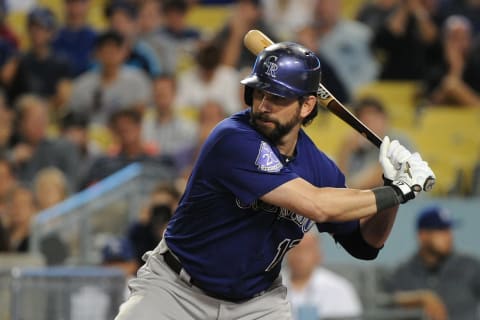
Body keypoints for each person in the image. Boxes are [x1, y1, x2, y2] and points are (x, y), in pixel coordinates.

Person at [114, 41, 435, 320]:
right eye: (259, 93)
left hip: (256, 303)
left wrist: (390, 189)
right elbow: (317, 205)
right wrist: (399, 190)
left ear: (307, 105)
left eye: (278, 97)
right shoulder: (233, 138)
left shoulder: (321, 169)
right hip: (175, 291)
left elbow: (366, 246)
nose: (264, 106)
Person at [383, 205, 480, 320]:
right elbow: (382, 302)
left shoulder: (470, 266)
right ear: (423, 235)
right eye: (441, 231)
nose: (449, 237)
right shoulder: (403, 271)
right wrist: (419, 298)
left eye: (449, 231)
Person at [336, 97, 414, 189]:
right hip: (363, 198)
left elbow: (382, 174)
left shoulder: (397, 140)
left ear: (384, 118)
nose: (370, 125)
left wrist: (346, 192)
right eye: (364, 122)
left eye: (374, 119)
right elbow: (340, 180)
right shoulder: (355, 145)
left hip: (405, 201)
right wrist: (346, 151)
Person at [284, 231, 362, 320]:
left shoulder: (340, 288)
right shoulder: (270, 286)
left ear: (319, 255)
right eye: (295, 249)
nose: (300, 256)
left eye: (307, 250)